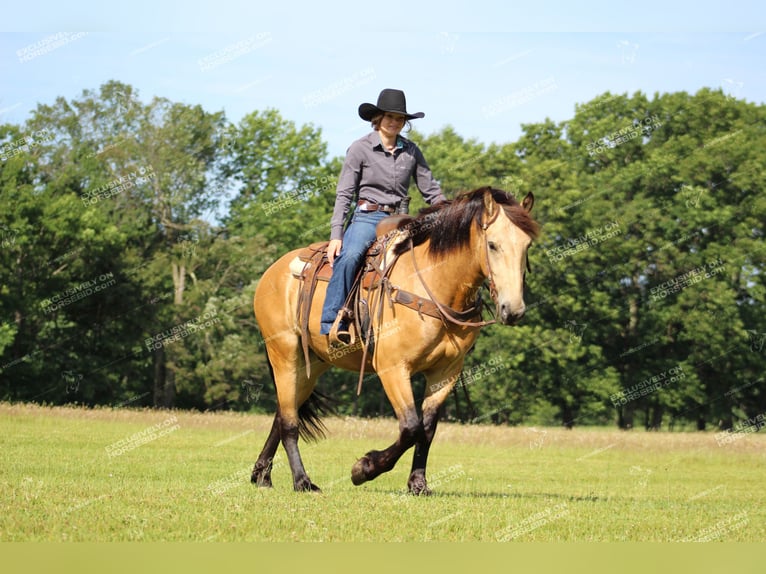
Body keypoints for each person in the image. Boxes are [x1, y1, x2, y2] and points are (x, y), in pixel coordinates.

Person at [320, 88, 446, 345]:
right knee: (351, 257)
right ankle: (333, 321)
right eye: (389, 117)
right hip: (367, 218)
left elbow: (430, 189)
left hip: (401, 221)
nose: (394, 122)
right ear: (377, 118)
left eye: (399, 119)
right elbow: (344, 194)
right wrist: (336, 235)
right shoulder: (359, 149)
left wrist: (449, 216)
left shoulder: (411, 151)